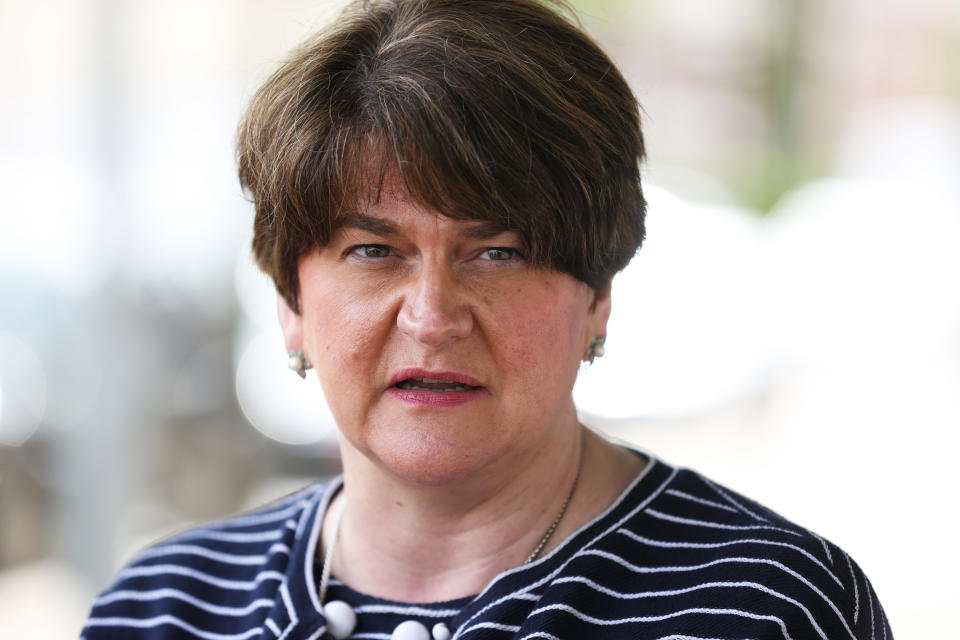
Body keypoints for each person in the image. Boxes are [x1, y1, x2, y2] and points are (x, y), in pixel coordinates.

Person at [82, 0, 891, 638]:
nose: (433, 317)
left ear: (597, 294)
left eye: (496, 252)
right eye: (373, 250)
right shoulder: (160, 613)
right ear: (291, 302)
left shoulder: (763, 611)